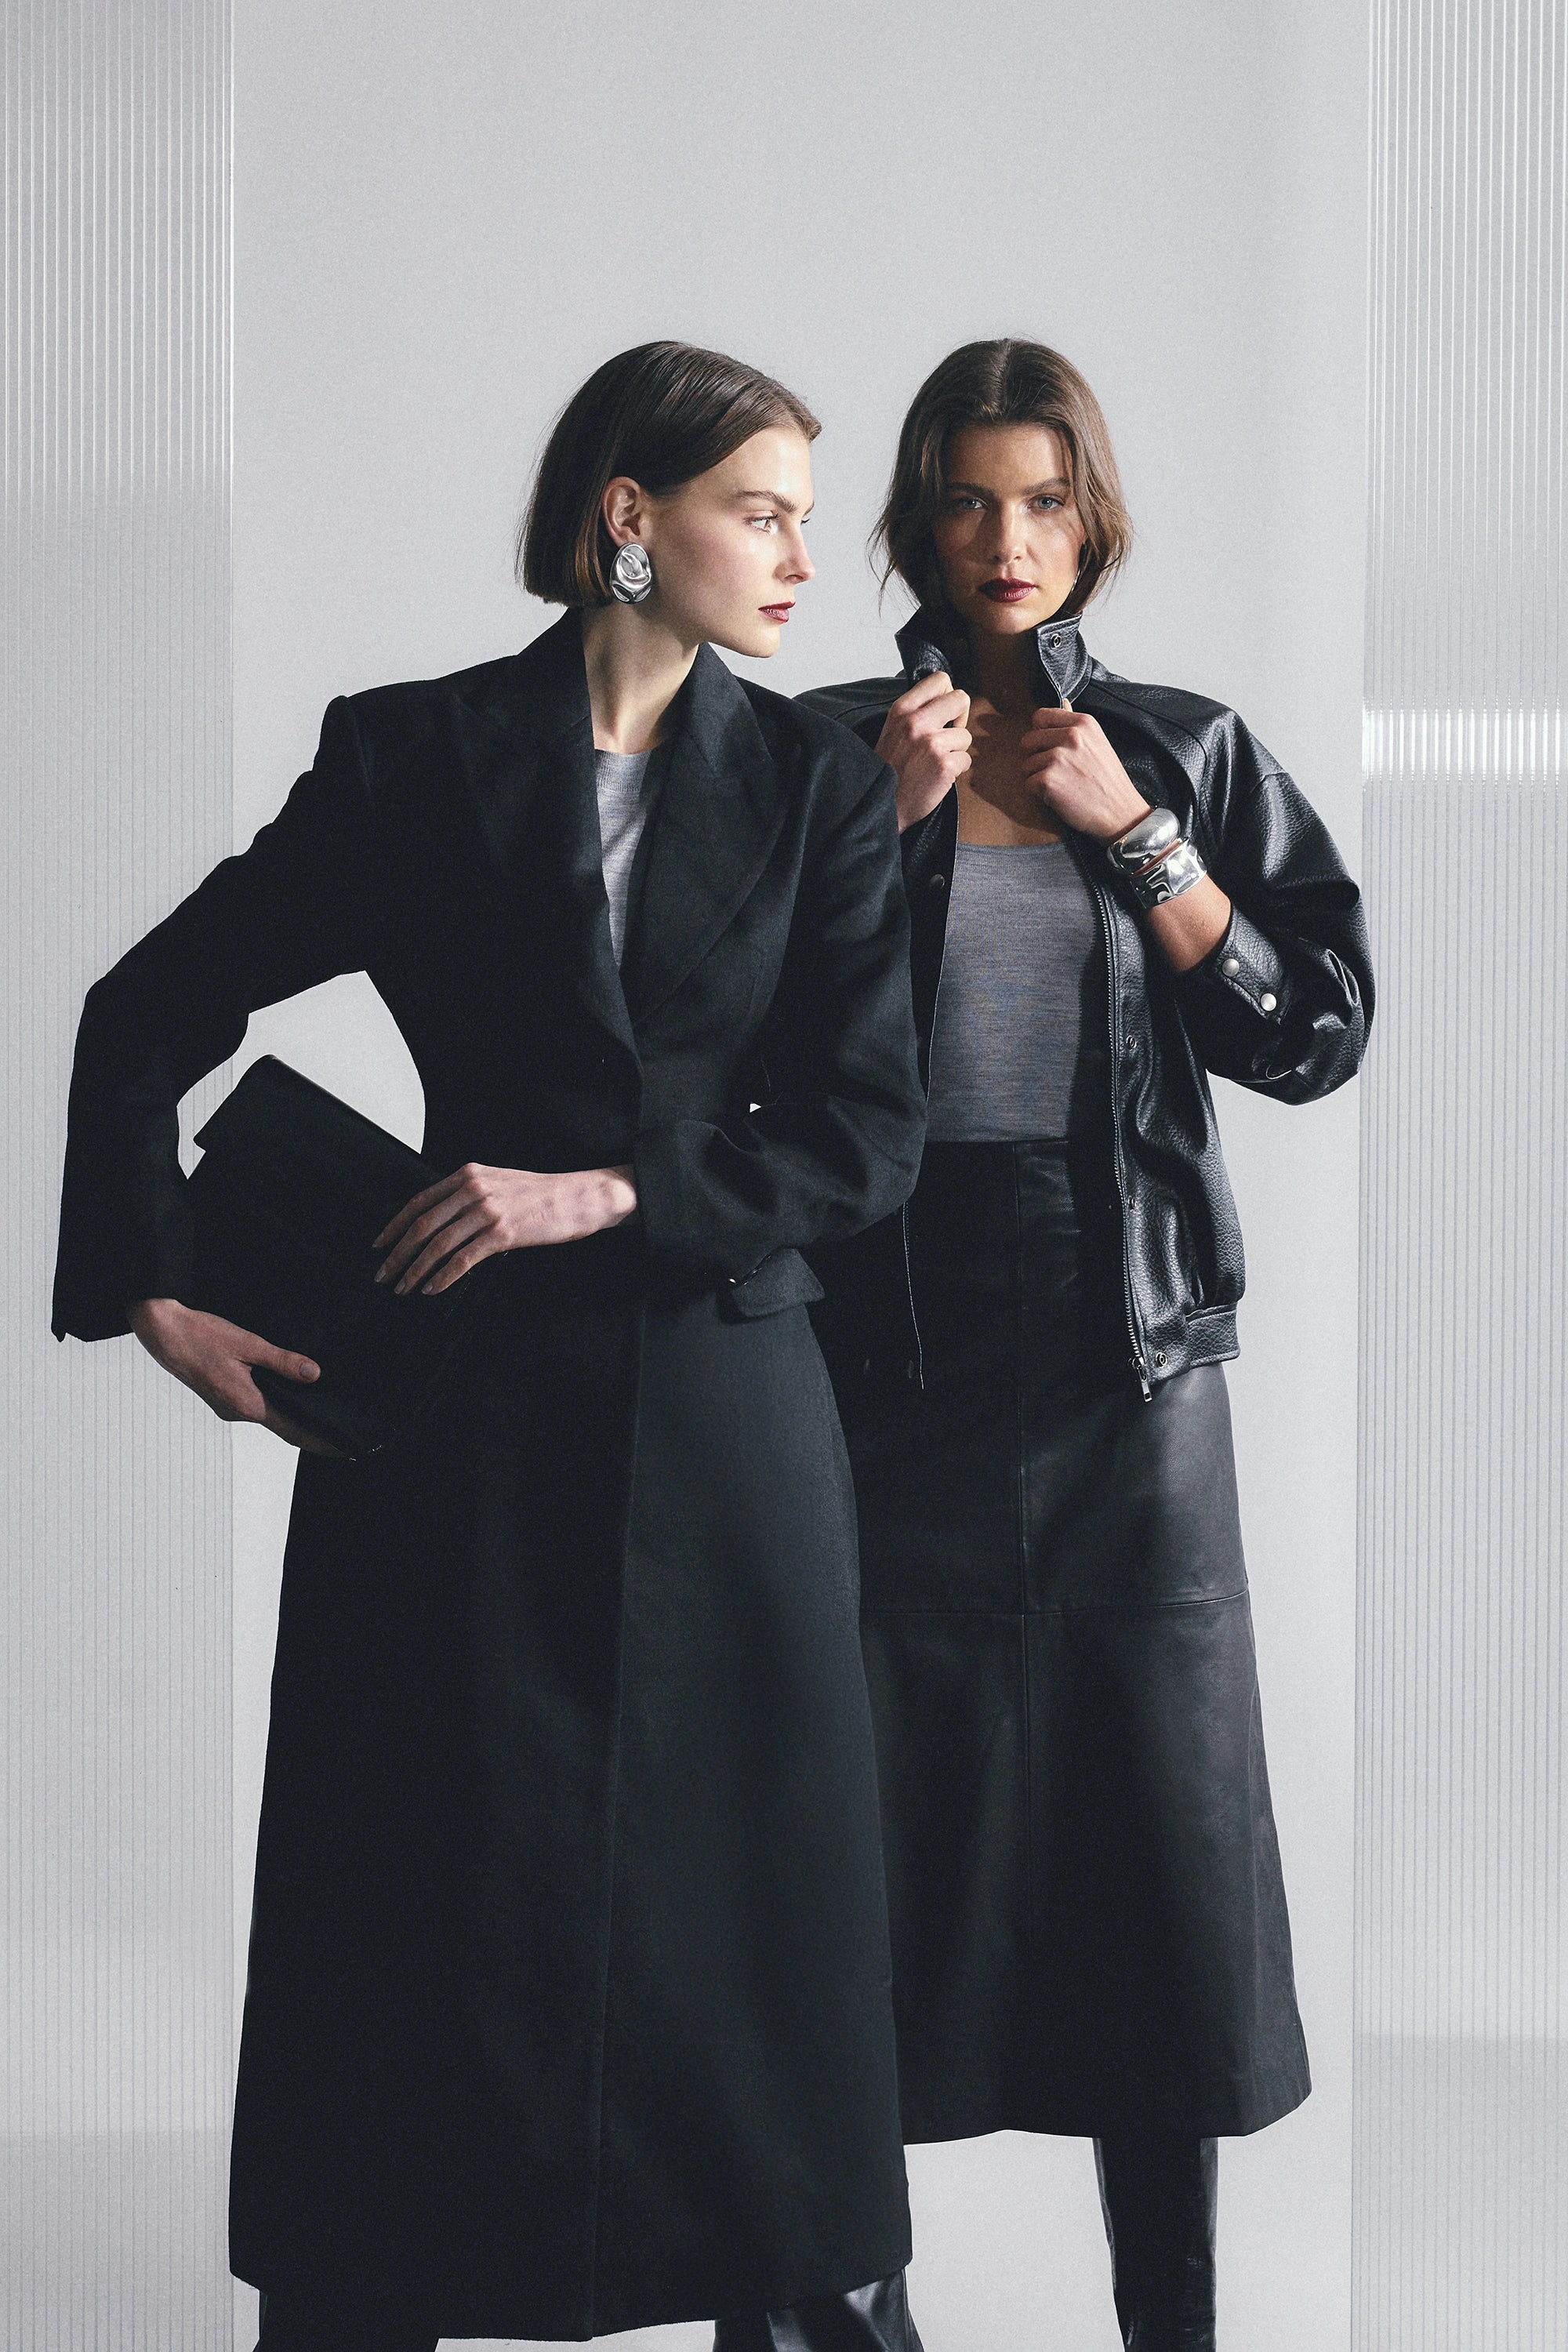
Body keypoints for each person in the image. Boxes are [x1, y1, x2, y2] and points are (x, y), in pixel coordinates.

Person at [52, 342, 930, 2352]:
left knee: (755, 1939)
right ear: (632, 516)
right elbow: (143, 1008)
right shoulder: (412, 757)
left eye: (803, 517)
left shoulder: (819, 784)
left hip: (727, 1419)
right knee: (414, 1908)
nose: (803, 557)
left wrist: (596, 1191)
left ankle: (801, 2307)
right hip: (454, 1425)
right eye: (761, 511)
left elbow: (869, 1138)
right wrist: (148, 1286)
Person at [800, 338, 1374, 2352]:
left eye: (1043, 498)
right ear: (916, 522)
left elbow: (1312, 1037)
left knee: (1155, 1866)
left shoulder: (1184, 747)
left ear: (1092, 517)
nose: (1007, 536)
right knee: (843, 1858)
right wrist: (873, 832)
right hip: (873, 1352)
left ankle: (1171, 2329)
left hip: (1128, 1356)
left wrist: (1142, 837)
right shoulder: (824, 751)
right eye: (967, 498)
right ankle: (837, 2321)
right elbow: (726, 1052)